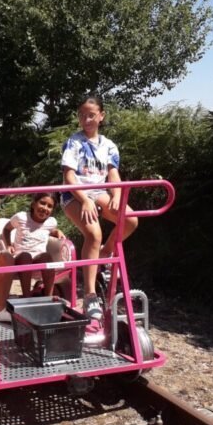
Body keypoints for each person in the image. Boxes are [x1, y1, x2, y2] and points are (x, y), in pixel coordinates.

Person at [60, 94, 138, 320]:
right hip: (75, 194)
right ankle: (90, 295)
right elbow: (69, 176)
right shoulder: (74, 142)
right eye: (82, 115)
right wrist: (84, 199)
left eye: (91, 115)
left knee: (130, 219)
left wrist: (117, 193)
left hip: (99, 191)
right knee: (94, 234)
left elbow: (113, 174)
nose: (86, 119)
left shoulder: (109, 146)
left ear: (101, 116)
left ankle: (105, 253)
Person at [0, 193, 65, 322]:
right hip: (21, 255)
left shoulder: (51, 222)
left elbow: (50, 230)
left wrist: (57, 232)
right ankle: (27, 297)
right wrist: (9, 244)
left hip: (38, 255)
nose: (45, 208)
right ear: (33, 204)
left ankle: (48, 298)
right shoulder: (21, 217)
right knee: (26, 257)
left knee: (47, 257)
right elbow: (6, 229)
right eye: (42, 203)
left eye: (49, 206)